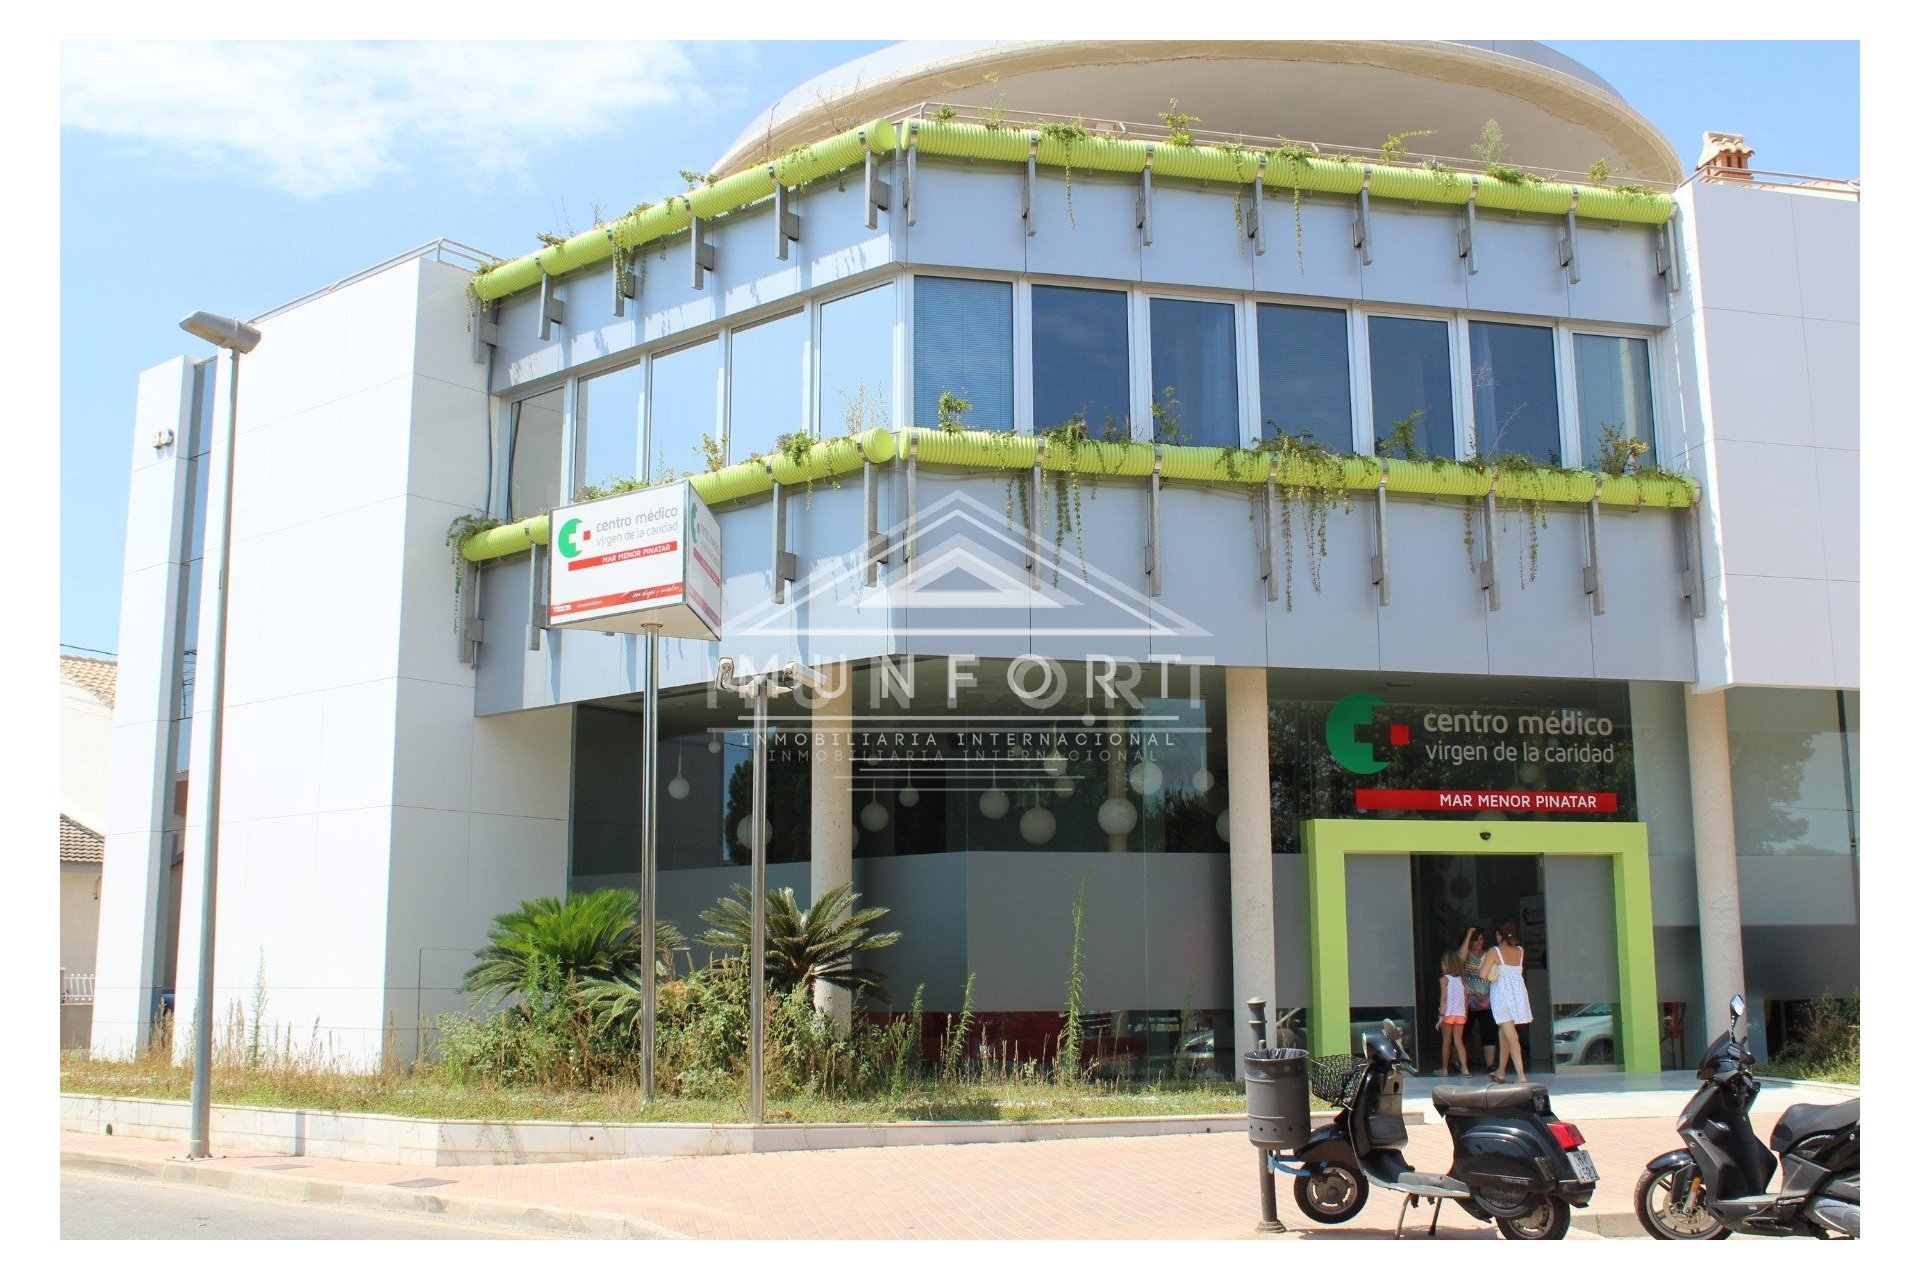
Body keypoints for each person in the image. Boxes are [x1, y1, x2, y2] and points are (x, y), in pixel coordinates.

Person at [1481, 921, 1534, 1083]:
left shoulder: (1494, 951)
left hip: (1502, 995)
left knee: (1511, 1035)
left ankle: (1521, 1076)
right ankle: (1501, 1072)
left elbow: (1483, 974)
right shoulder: (1520, 951)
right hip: (1517, 995)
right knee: (1504, 1032)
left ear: (1500, 935)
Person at [1455, 925, 1496, 1075]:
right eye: (1476, 940)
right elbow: (1459, 958)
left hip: (1487, 1001)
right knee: (1462, 1033)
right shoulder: (1466, 955)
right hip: (1468, 1002)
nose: (1480, 942)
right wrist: (1468, 936)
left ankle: (1490, 1065)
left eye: (1481, 939)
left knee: (1488, 1033)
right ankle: (1457, 1062)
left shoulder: (1488, 954)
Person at [1436, 950, 1469, 1075]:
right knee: (1458, 1041)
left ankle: (1444, 1069)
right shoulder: (1462, 979)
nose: (1442, 966)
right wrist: (1465, 1014)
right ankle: (1465, 1068)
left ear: (1447, 965)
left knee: (1446, 1041)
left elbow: (1444, 998)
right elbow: (1466, 998)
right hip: (1460, 1015)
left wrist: (1441, 1016)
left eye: (1443, 964)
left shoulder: (1444, 979)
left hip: (1448, 1014)